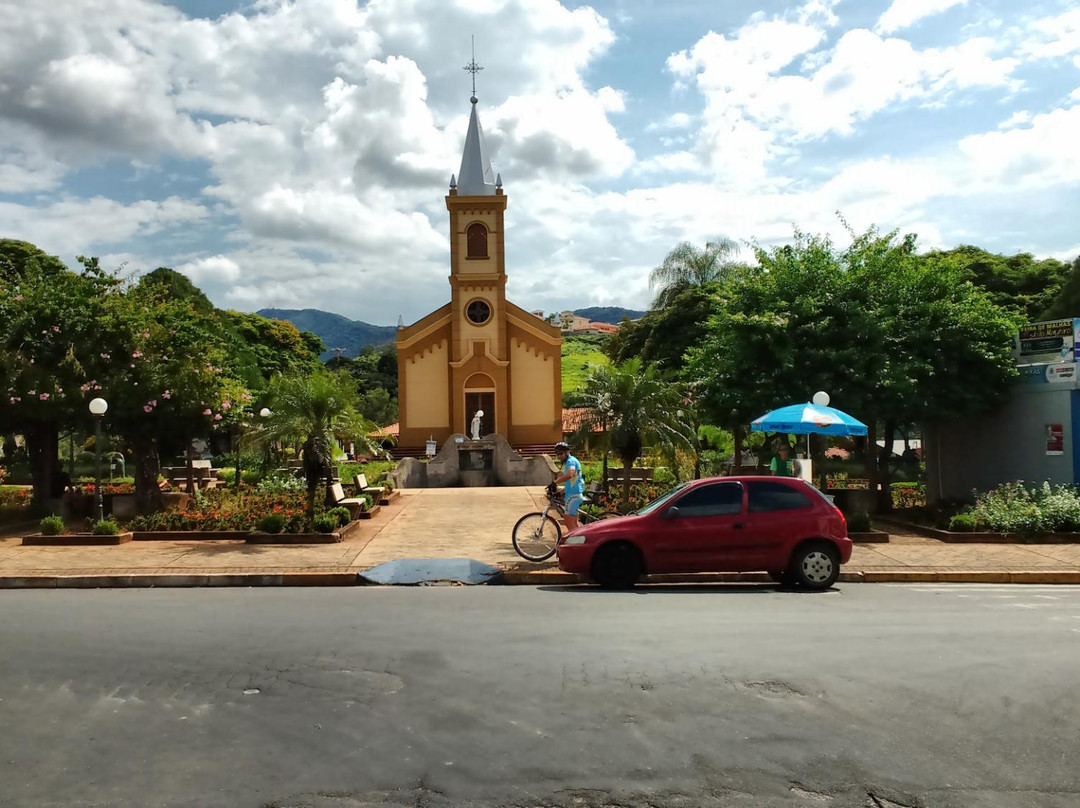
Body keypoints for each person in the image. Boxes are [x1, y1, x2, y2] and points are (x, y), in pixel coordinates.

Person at [553, 441, 585, 531]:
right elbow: (572, 481)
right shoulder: (570, 461)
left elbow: (569, 475)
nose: (559, 456)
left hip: (573, 495)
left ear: (567, 452)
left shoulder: (571, 461)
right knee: (574, 523)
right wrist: (561, 491)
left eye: (561, 453)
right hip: (573, 493)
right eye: (557, 454)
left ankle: (575, 543)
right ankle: (579, 542)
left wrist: (555, 482)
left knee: (568, 522)